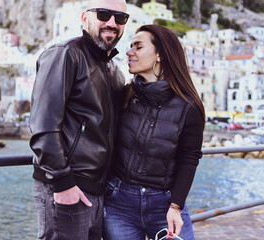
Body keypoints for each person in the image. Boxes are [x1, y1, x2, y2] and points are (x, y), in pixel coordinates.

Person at [29, 0, 128, 239]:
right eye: (104, 14)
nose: (112, 23)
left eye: (120, 18)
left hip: (98, 191)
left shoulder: (114, 71)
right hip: (66, 186)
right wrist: (63, 183)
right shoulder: (65, 54)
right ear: (85, 18)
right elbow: (43, 126)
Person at [102, 25, 205, 240]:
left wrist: (176, 206)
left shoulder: (189, 107)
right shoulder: (124, 95)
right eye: (130, 47)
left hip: (166, 205)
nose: (129, 52)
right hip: (118, 204)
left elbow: (189, 158)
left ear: (160, 54)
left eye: (138, 46)